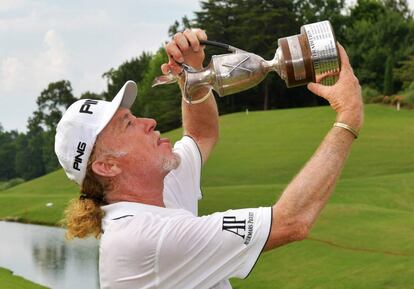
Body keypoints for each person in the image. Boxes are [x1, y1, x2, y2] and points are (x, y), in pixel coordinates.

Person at [55, 28, 363, 289]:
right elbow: (291, 221)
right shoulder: (142, 239)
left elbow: (201, 134)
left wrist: (193, 73)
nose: (147, 122)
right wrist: (348, 119)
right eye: (128, 124)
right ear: (107, 166)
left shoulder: (155, 190)